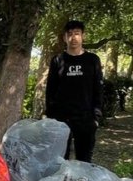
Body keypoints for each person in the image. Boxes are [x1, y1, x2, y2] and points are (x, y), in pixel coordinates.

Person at [44, 20, 103, 163]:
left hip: (86, 118)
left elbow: (98, 88)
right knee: (59, 159)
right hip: (61, 119)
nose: (73, 37)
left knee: (84, 159)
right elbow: (50, 90)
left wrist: (96, 117)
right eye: (69, 34)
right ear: (64, 38)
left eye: (77, 33)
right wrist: (51, 116)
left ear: (83, 36)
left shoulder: (92, 60)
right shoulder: (58, 60)